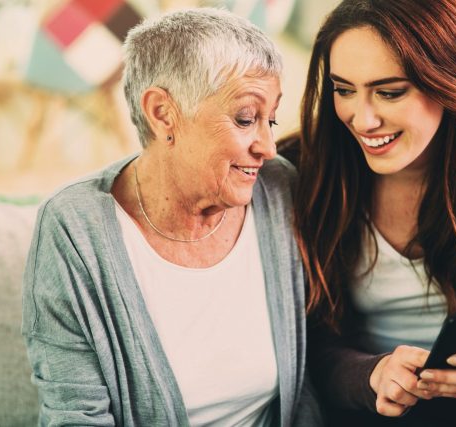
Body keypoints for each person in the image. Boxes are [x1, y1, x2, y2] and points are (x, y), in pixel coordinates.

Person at [22, 7, 322, 426]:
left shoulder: (277, 191)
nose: (268, 146)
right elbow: (76, 415)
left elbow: (316, 368)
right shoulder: (75, 229)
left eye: (270, 120)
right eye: (246, 119)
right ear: (163, 113)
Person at [278, 0, 456, 425]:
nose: (362, 119)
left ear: (450, 81)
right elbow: (308, 346)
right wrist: (372, 374)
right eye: (343, 90)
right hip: (364, 404)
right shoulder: (306, 166)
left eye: (389, 92)